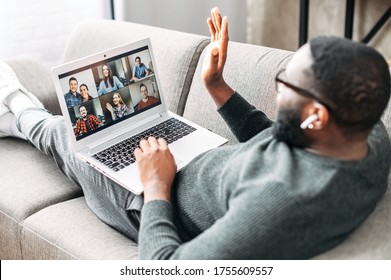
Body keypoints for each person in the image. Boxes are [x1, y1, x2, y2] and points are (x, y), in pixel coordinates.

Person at [0, 7, 390, 260]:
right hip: (193, 159)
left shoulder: (281, 203)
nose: (278, 88)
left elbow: (164, 267)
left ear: (318, 115)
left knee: (65, 135)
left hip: (149, 200)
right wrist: (219, 87)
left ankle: (17, 108)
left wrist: (155, 184)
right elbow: (279, 142)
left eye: (286, 83)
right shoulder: (367, 134)